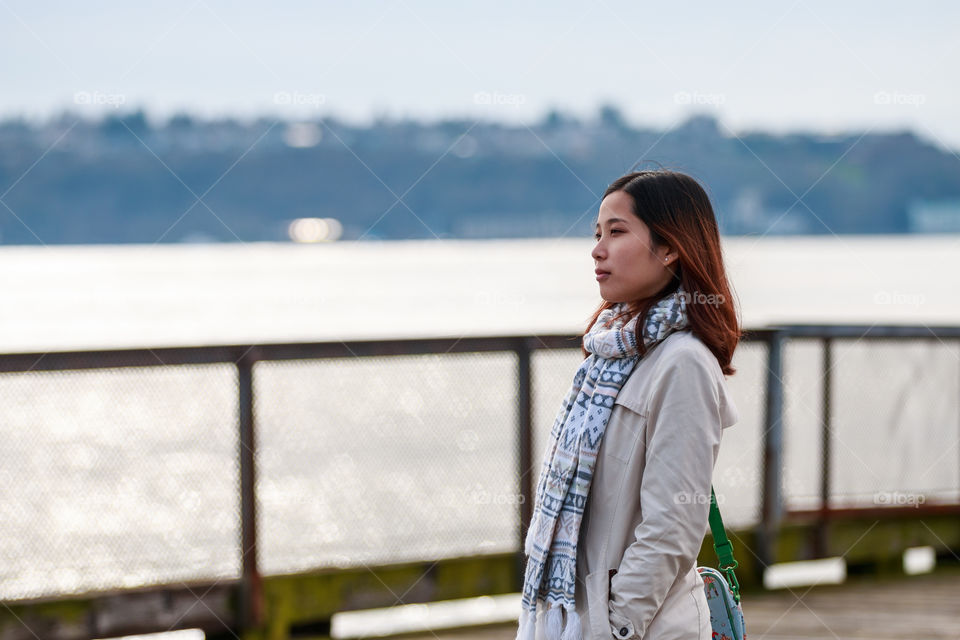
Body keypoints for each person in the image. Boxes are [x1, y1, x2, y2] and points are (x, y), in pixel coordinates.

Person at [516, 169, 741, 640]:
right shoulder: (609, 357)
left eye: (617, 232)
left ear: (670, 247)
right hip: (574, 620)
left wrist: (616, 626)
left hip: (638, 629)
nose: (598, 249)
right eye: (597, 233)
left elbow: (672, 526)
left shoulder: (683, 363)